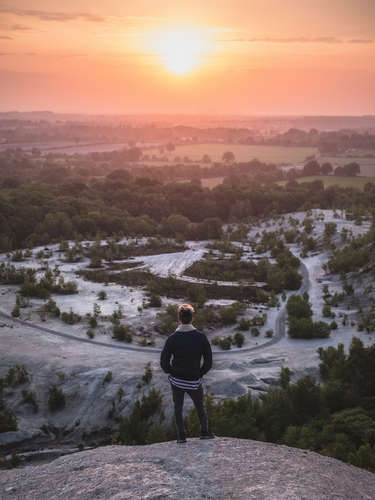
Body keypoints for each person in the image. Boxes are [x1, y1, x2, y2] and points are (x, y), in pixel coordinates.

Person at [160, 303, 214, 443]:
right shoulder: (201, 337)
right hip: (194, 380)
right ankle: (204, 432)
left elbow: (164, 363)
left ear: (179, 319)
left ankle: (181, 437)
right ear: (192, 319)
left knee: (178, 408)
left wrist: (173, 372)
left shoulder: (172, 338)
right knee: (200, 406)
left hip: (177, 381)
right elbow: (208, 361)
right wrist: (199, 373)